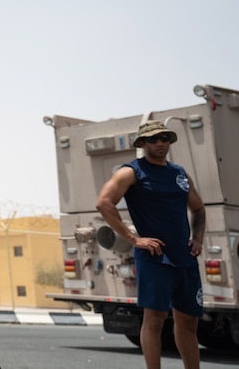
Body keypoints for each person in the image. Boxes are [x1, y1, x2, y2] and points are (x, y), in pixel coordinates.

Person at [96, 120, 206, 369]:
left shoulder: (179, 173)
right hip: (155, 258)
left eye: (165, 138)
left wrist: (197, 239)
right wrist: (134, 239)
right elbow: (104, 202)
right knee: (154, 319)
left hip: (184, 257)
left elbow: (198, 209)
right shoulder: (131, 172)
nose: (160, 143)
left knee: (189, 322)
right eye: (154, 139)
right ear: (142, 143)